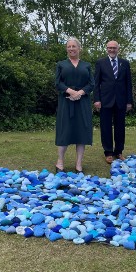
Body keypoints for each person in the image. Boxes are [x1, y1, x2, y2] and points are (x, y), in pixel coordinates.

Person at [55, 37, 94, 173]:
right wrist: (71, 91)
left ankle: (79, 164)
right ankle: (60, 162)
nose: (71, 49)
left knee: (82, 131)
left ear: (79, 48)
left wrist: (80, 92)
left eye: (73, 46)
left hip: (82, 102)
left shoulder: (86, 65)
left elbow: (91, 83)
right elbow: (57, 83)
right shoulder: (61, 64)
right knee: (64, 130)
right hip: (66, 101)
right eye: (69, 46)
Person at [94, 40, 133, 164]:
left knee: (120, 127)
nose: (112, 50)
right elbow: (96, 83)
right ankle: (108, 152)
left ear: (118, 49)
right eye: (109, 48)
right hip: (105, 100)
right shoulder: (101, 63)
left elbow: (128, 84)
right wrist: (97, 99)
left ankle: (119, 151)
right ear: (106, 49)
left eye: (114, 48)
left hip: (121, 100)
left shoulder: (125, 63)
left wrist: (129, 101)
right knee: (105, 127)